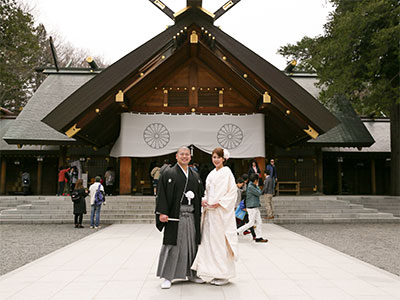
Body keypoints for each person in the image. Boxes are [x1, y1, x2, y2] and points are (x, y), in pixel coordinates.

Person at [155, 147, 204, 289]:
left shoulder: (195, 175)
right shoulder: (168, 173)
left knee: (191, 244)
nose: (184, 157)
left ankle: (192, 274)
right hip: (175, 216)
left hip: (191, 216)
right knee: (172, 245)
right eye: (182, 154)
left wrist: (202, 201)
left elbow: (199, 194)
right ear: (176, 156)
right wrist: (162, 213)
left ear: (190, 157)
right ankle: (167, 276)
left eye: (187, 155)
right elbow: (162, 194)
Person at [191, 147, 238, 286]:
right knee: (208, 243)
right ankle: (209, 272)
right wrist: (204, 199)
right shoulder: (211, 173)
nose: (215, 160)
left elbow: (232, 192)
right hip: (209, 212)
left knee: (219, 243)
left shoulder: (227, 172)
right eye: (213, 157)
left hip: (220, 212)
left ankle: (223, 274)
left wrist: (221, 203)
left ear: (224, 158)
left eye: (218, 157)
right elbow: (208, 191)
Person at [237, 173, 268, 243]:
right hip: (251, 207)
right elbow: (259, 193)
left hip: (255, 206)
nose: (258, 182)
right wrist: (257, 186)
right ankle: (237, 231)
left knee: (259, 222)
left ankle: (258, 237)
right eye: (257, 180)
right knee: (251, 223)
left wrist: (256, 186)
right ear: (255, 180)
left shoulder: (252, 185)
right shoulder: (251, 187)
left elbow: (259, 192)